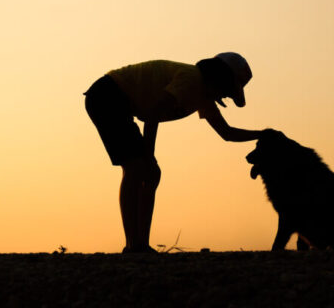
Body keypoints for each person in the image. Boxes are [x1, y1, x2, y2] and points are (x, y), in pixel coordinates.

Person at [84, 52, 260, 253]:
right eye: (228, 90)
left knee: (149, 173)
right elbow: (152, 115)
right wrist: (148, 157)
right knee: (136, 168)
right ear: (220, 78)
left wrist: (261, 134)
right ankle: (134, 245)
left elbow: (226, 133)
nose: (225, 96)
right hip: (108, 95)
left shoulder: (202, 95)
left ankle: (140, 244)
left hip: (115, 99)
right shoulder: (191, 80)